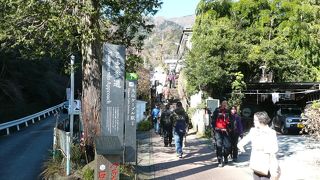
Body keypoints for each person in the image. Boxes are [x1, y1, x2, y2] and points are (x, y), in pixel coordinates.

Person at [238, 111, 280, 180]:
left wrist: (274, 167)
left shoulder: (271, 132)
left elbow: (274, 150)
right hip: (255, 164)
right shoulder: (253, 131)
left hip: (266, 165)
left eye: (255, 120)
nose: (253, 121)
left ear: (261, 121)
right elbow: (245, 139)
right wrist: (240, 145)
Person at [211, 99, 231, 167]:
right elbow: (213, 120)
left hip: (225, 131)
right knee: (219, 146)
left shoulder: (228, 111)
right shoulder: (217, 110)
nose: (225, 105)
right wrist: (214, 128)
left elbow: (231, 120)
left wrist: (230, 128)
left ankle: (225, 156)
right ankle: (220, 160)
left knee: (228, 146)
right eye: (224, 103)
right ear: (221, 104)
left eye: (226, 104)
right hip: (218, 131)